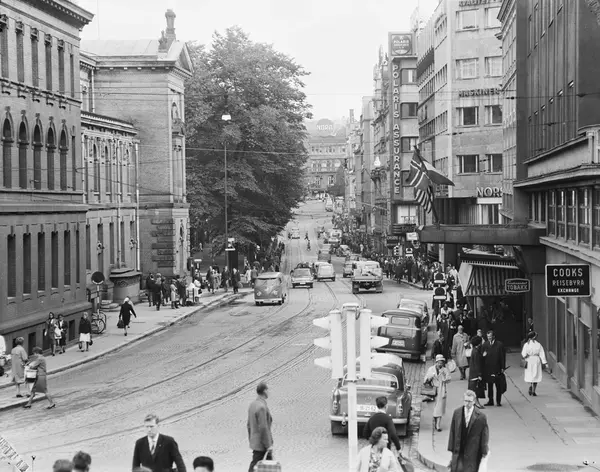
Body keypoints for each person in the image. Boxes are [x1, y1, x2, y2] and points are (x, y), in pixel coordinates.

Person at [447, 390, 489, 472]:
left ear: (474, 401)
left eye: (469, 401)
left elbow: (484, 435)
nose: (467, 403)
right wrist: (451, 449)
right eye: (465, 401)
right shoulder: (457, 413)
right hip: (459, 450)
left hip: (473, 453)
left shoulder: (481, 417)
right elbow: (453, 431)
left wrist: (484, 451)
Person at [247, 381, 273, 472]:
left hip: (256, 443)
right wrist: (268, 445)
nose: (269, 392)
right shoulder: (261, 407)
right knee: (266, 467)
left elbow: (248, 425)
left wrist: (251, 440)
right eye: (268, 390)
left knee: (257, 466)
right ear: (265, 391)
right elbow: (263, 427)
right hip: (262, 444)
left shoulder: (253, 405)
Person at [424, 354, 452, 431]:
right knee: (433, 407)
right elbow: (425, 380)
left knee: (439, 408)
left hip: (441, 390)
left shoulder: (445, 370)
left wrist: (444, 377)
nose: (440, 364)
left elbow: (449, 379)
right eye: (439, 362)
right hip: (432, 390)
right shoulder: (431, 369)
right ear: (436, 362)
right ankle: (435, 420)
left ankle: (438, 425)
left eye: (441, 363)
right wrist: (430, 377)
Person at [482, 330, 506, 406]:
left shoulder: (499, 344)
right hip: (488, 368)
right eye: (488, 336)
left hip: (497, 367)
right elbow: (482, 355)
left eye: (490, 336)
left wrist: (503, 367)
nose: (489, 338)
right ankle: (490, 400)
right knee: (490, 385)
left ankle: (498, 401)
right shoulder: (485, 344)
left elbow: (502, 357)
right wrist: (483, 356)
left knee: (498, 385)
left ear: (493, 336)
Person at [522, 330, 548, 396]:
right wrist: (544, 362)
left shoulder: (526, 344)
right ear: (533, 337)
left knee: (530, 374)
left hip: (529, 360)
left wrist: (525, 356)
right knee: (536, 374)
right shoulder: (538, 344)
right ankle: (533, 390)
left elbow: (523, 353)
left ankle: (531, 386)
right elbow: (542, 353)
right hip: (536, 360)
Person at [467, 336, 486, 409]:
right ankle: (476, 403)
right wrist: (479, 374)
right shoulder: (476, 352)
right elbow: (477, 364)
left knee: (474, 389)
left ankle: (475, 402)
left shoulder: (475, 350)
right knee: (476, 390)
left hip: (473, 373)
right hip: (475, 374)